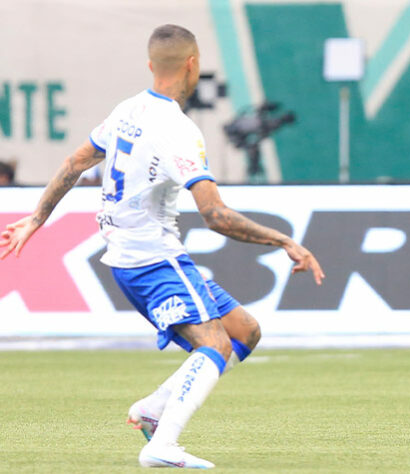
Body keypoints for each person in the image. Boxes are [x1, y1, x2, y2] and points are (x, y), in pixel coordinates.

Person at [0, 25, 324, 468]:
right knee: (215, 345)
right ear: (193, 65)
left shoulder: (127, 110)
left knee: (243, 331)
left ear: (152, 65)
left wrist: (37, 218)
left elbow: (76, 161)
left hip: (132, 256)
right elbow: (216, 215)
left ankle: (153, 407)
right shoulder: (178, 131)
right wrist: (285, 240)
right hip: (152, 258)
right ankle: (162, 445)